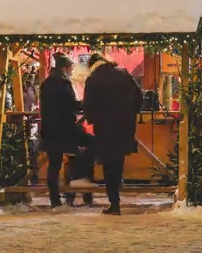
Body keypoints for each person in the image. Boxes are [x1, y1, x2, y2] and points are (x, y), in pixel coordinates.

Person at [81, 53, 142, 215]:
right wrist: (131, 114)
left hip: (105, 128)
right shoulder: (123, 74)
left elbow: (88, 106)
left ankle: (114, 203)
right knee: (118, 160)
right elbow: (138, 97)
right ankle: (117, 193)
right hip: (125, 127)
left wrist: (92, 119)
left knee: (109, 164)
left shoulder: (93, 80)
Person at [39, 53, 92, 208]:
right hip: (65, 129)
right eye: (70, 68)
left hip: (49, 129)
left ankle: (55, 200)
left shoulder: (46, 83)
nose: (71, 71)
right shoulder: (63, 83)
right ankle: (81, 189)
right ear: (65, 67)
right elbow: (70, 105)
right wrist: (85, 104)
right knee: (86, 149)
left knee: (54, 164)